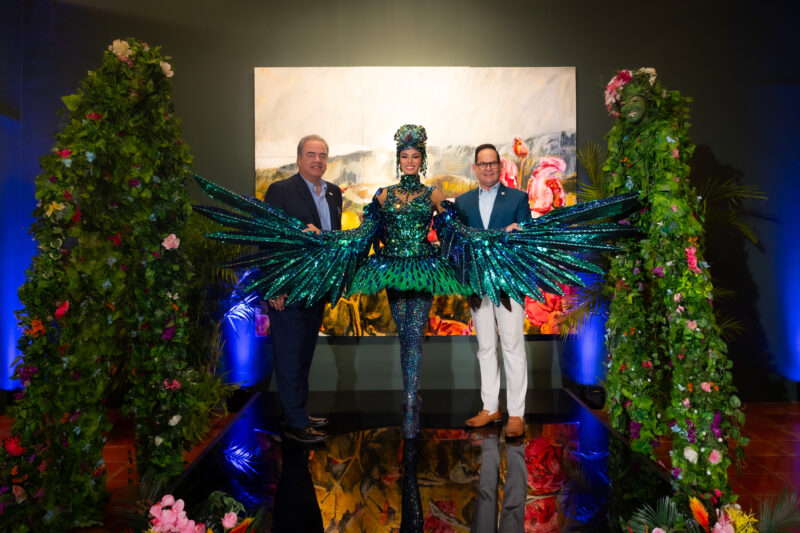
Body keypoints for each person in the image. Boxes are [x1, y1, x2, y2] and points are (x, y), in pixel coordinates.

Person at [348, 124, 471, 438]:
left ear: (423, 159)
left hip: (422, 268)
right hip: (391, 269)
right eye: (405, 156)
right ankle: (411, 395)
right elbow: (367, 232)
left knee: (415, 336)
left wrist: (472, 238)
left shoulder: (433, 193)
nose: (410, 161)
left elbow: (451, 228)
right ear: (398, 159)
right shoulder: (384, 194)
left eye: (416, 156)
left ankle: (410, 405)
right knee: (405, 335)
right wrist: (340, 241)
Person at [263, 134, 342, 444]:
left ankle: (297, 412)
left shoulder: (334, 193)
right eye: (311, 154)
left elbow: (332, 239)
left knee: (303, 356)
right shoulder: (280, 190)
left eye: (322, 155)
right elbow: (269, 240)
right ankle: (295, 425)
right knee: (289, 355)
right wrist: (275, 285)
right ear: (298, 159)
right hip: (289, 288)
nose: (317, 160)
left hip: (317, 288)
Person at [455, 144, 531, 438]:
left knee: (512, 347)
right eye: (482, 164)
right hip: (477, 285)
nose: (487, 168)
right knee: (485, 348)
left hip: (508, 284)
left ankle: (516, 414)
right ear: (474, 168)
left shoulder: (517, 198)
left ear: (500, 167)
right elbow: (460, 245)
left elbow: (525, 240)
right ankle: (490, 408)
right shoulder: (462, 203)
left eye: (492, 164)